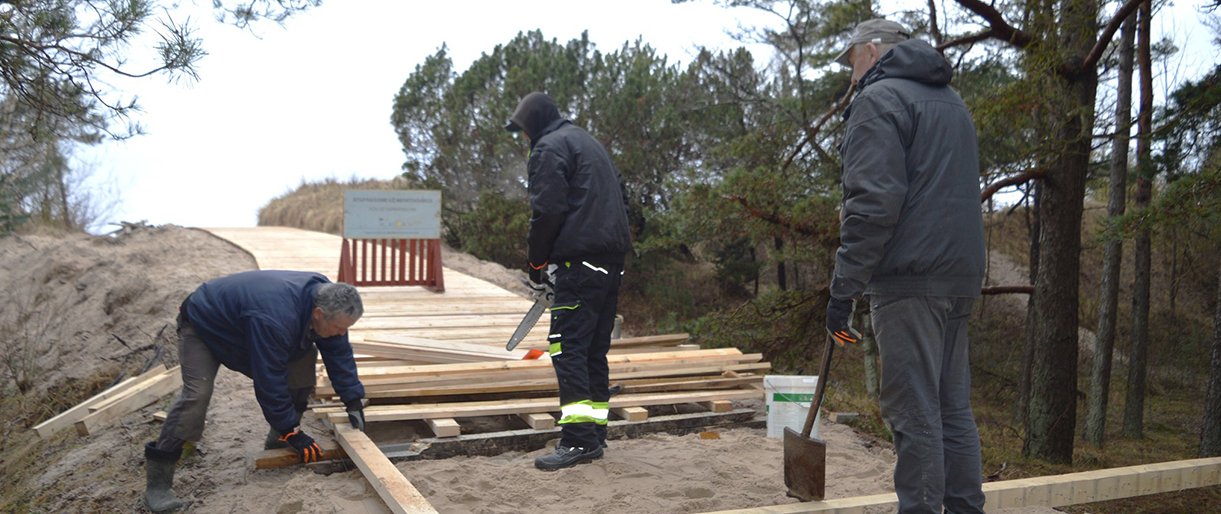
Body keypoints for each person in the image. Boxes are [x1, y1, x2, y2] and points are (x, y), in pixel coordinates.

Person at [825, 19, 987, 514]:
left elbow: (873, 204)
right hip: (958, 274)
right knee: (951, 408)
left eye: (852, 59)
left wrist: (844, 288)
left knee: (914, 410)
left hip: (910, 278)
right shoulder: (952, 101)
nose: (850, 71)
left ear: (872, 51)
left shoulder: (878, 101)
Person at [142, 270, 367, 512]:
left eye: (346, 329)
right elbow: (269, 377)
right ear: (318, 314)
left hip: (246, 324)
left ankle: (279, 439)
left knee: (302, 365)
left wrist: (353, 399)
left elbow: (339, 352)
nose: (342, 333)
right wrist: (291, 430)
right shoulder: (275, 319)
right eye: (339, 327)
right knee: (197, 396)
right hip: (203, 326)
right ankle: (158, 485)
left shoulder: (328, 300)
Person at [504, 92, 632, 471]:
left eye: (523, 131)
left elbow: (547, 210)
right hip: (610, 261)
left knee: (567, 348)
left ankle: (578, 440)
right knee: (592, 349)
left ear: (533, 125)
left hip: (580, 263)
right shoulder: (588, 143)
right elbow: (621, 198)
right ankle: (594, 433)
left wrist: (537, 263)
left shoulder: (548, 148)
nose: (524, 139)